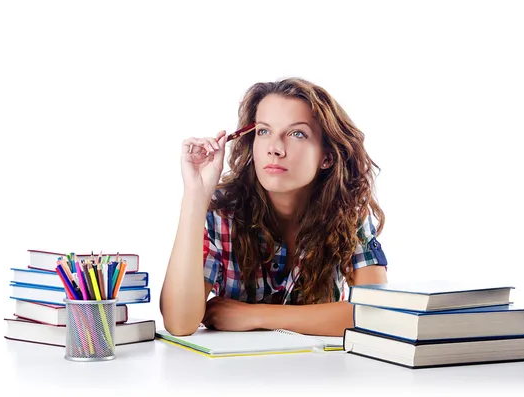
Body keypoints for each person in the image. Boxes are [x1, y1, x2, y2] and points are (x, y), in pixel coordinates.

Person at [160, 77, 388, 337]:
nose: (275, 149)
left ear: (327, 157)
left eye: (297, 134)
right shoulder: (222, 214)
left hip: (320, 372)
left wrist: (252, 315)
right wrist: (195, 196)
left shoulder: (348, 212)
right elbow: (179, 322)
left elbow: (378, 315)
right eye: (264, 131)